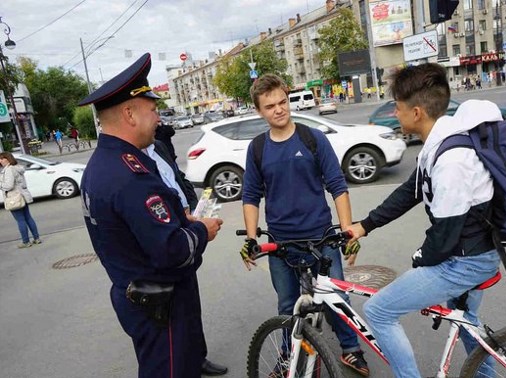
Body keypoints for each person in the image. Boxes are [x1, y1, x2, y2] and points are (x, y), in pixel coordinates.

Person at [345, 63, 502, 378]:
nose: (395, 114)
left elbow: (444, 236)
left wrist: (421, 259)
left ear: (416, 112)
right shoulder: (438, 145)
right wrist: (364, 225)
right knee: (464, 317)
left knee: (378, 310)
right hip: (469, 253)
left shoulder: (451, 160)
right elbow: (409, 192)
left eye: (398, 108)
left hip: (466, 261)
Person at [77, 53, 227, 378]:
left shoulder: (104, 164)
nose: (158, 119)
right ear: (129, 113)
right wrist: (202, 230)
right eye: (153, 110)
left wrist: (181, 222)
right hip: (162, 304)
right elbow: (172, 250)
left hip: (141, 297)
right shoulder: (129, 175)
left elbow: (139, 229)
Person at [240, 74, 369, 377]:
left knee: (337, 300)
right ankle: (288, 357)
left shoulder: (312, 139)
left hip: (322, 238)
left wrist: (347, 230)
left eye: (282, 102)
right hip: (281, 244)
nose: (279, 109)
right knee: (287, 306)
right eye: (270, 106)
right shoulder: (258, 148)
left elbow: (338, 186)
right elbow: (250, 196)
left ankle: (351, 350)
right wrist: (250, 238)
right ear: (259, 111)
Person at [0, 151, 42, 248]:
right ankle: (36, 238)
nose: (0, 161)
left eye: (2, 158)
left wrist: (1, 184)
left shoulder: (9, 170)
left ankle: (25, 241)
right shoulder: (17, 168)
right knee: (28, 217)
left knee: (20, 220)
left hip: (13, 198)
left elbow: (9, 185)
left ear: (8, 159)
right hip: (22, 195)